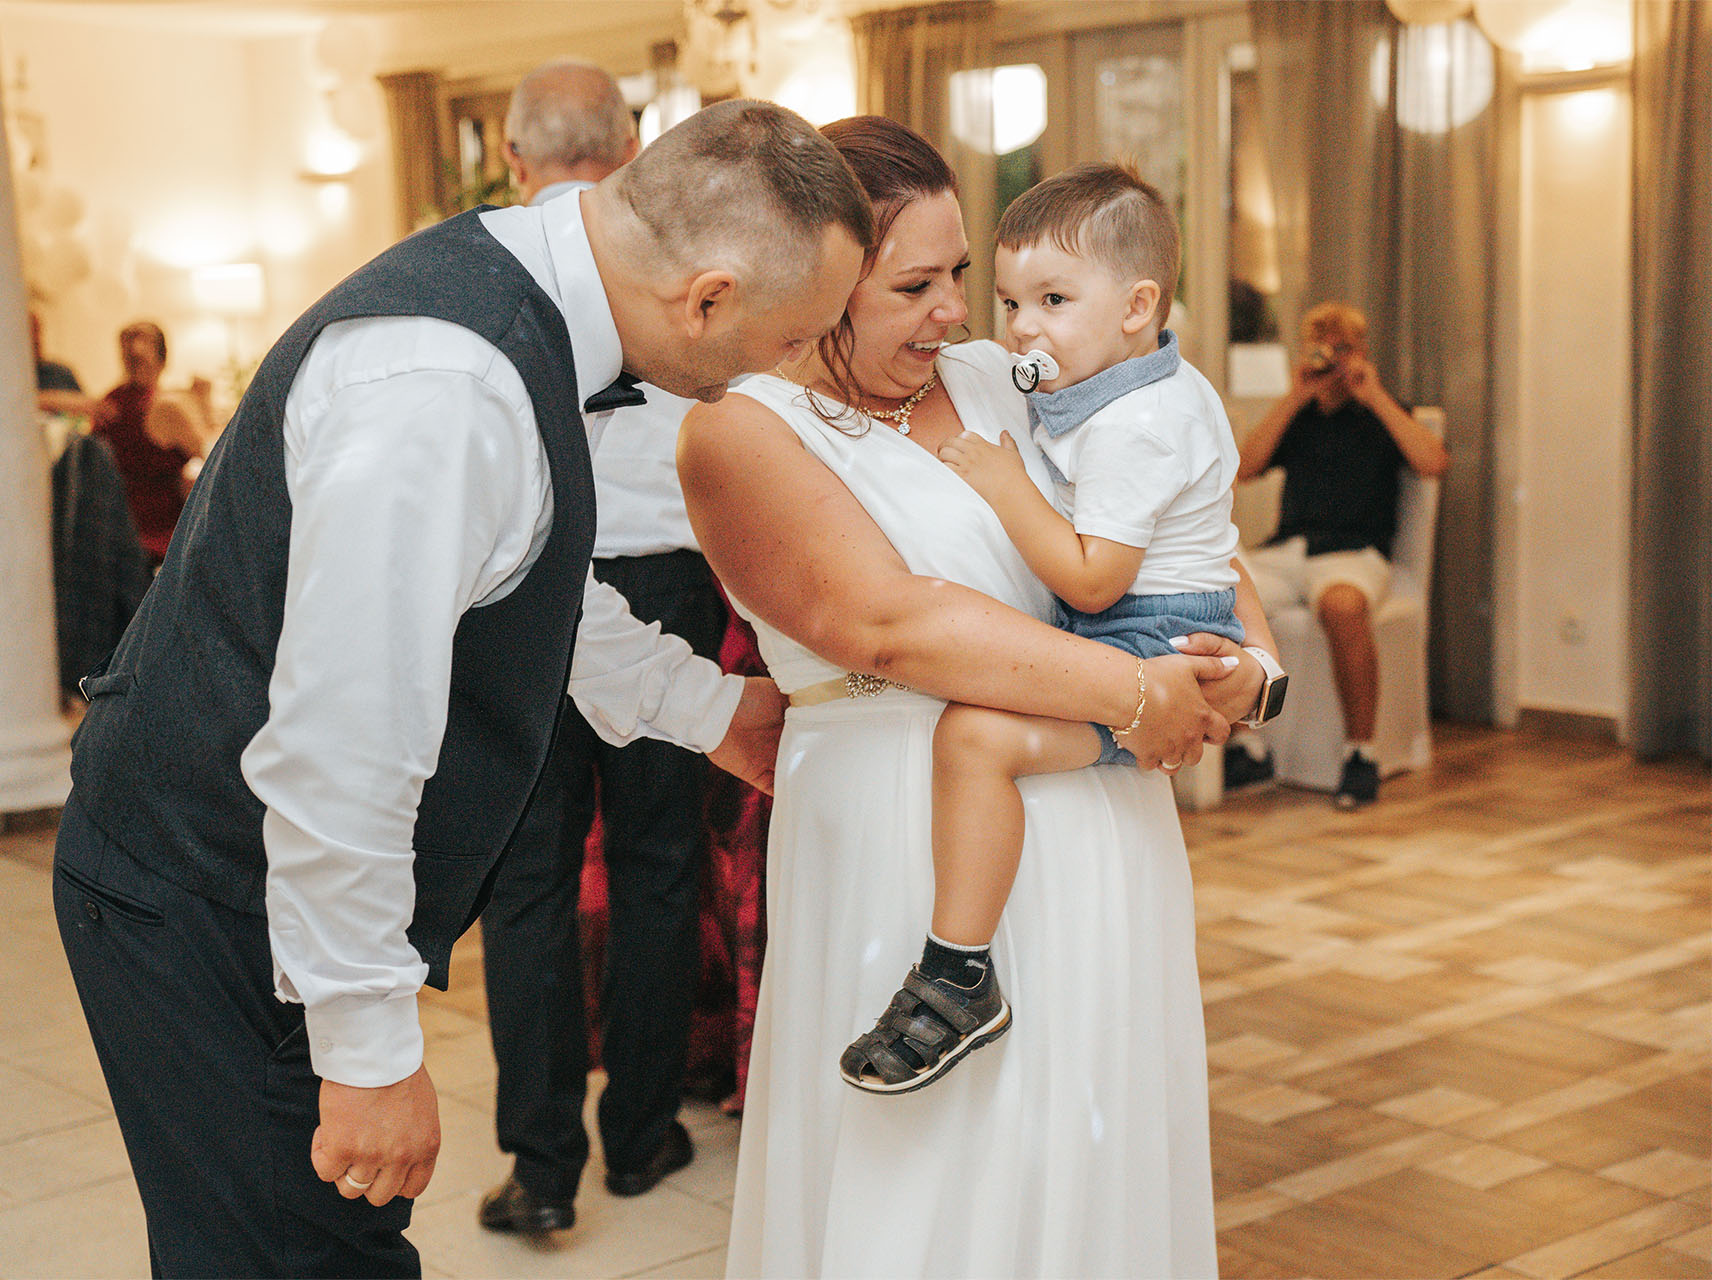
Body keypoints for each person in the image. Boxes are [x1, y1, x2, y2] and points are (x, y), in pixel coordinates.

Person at [52, 100, 870, 1279]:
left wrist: (710, 711)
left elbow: (523, 579)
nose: (785, 369)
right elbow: (343, 737)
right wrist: (367, 1048)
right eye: (791, 338)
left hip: (251, 871)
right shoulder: (446, 387)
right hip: (201, 880)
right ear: (708, 297)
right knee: (296, 1258)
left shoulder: (528, 299)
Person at [680, 117, 1268, 1277]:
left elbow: (1181, 517)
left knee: (1083, 1135)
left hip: (1098, 807)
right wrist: (1137, 691)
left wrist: (1252, 661)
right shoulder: (737, 432)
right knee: (926, 1171)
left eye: (960, 273)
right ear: (815, 280)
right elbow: (887, 623)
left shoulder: (1010, 375)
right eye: (915, 285)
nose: (956, 311)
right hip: (898, 821)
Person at [835, 161, 1280, 1096]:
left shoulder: (1133, 423)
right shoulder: (1132, 384)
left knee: (976, 741)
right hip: (1146, 627)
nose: (1016, 329)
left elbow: (1093, 575)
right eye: (1009, 301)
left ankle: (957, 972)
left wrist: (1004, 487)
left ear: (1138, 306)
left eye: (1051, 301)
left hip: (1142, 635)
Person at [475, 60, 723, 1236]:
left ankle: (540, 1165)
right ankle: (641, 1133)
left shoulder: (485, 260)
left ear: (512, 154)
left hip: (521, 589)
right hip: (667, 578)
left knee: (525, 879)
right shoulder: (675, 255)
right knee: (657, 863)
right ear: (628, 147)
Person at [1228, 301, 1449, 807]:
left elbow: (1433, 462)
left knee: (1342, 607)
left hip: (1355, 553)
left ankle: (1361, 753)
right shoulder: (1300, 415)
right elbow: (1244, 467)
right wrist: (1294, 396)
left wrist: (1374, 395)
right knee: (1225, 595)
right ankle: (1246, 746)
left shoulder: (1384, 413)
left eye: (1342, 348)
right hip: (1291, 551)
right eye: (1322, 349)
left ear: (1362, 351)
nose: (1332, 359)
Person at [89, 321, 217, 563]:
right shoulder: (163, 407)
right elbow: (214, 456)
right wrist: (205, 401)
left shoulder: (111, 401)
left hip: (117, 530)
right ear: (162, 358)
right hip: (162, 532)